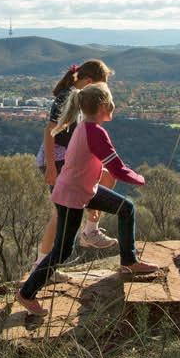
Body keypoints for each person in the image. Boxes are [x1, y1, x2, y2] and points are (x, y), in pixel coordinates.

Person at [16, 83, 161, 316]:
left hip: (81, 190)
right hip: (72, 196)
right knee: (62, 250)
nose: (113, 105)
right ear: (103, 106)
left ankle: (129, 261)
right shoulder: (94, 131)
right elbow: (117, 168)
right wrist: (141, 179)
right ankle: (26, 293)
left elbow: (94, 163)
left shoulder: (85, 126)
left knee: (126, 208)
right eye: (111, 101)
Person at [34, 60, 118, 275]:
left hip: (71, 159)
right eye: (100, 86)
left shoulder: (81, 97)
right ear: (88, 81)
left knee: (108, 177)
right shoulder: (67, 97)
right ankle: (41, 267)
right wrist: (51, 167)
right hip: (57, 159)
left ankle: (89, 231)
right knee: (59, 214)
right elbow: (50, 132)